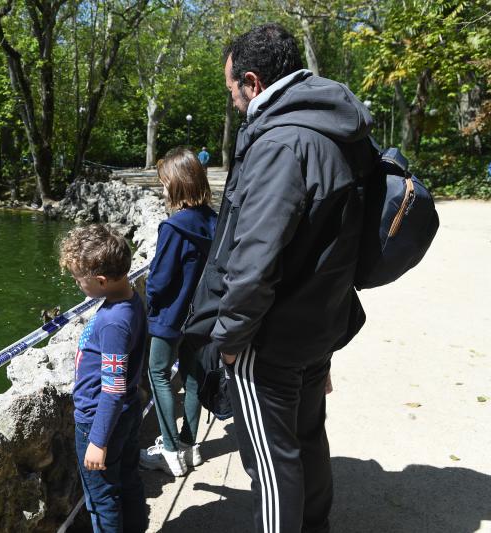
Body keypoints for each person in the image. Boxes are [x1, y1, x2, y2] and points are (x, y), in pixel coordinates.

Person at [183, 23, 375, 532]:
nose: (234, 104)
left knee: (270, 464)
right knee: (307, 438)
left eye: (231, 92)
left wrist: (229, 338)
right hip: (319, 322)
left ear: (252, 80)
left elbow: (255, 259)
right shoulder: (335, 127)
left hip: (270, 335)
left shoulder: (280, 142)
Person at [59, 224, 148, 533]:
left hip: (100, 421)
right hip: (126, 412)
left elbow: (112, 388)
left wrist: (97, 441)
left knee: (101, 499)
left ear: (100, 281)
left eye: (78, 279)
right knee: (128, 479)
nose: (76, 283)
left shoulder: (113, 322)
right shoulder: (129, 299)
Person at [138, 148, 217, 477]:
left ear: (178, 184)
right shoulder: (215, 221)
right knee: (193, 376)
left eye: (164, 182)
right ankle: (188, 446)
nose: (162, 188)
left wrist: (151, 305)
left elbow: (157, 280)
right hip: (201, 316)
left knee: (158, 375)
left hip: (170, 317)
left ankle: (170, 451)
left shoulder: (173, 228)